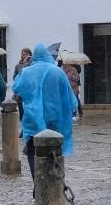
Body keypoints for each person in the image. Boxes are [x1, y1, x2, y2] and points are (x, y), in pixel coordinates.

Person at [11, 43, 75, 177]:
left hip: (33, 120)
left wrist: (23, 67)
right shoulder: (57, 71)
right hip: (55, 119)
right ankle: (54, 180)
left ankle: (37, 181)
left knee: (33, 151)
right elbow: (70, 96)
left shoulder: (28, 72)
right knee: (55, 150)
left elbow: (16, 87)